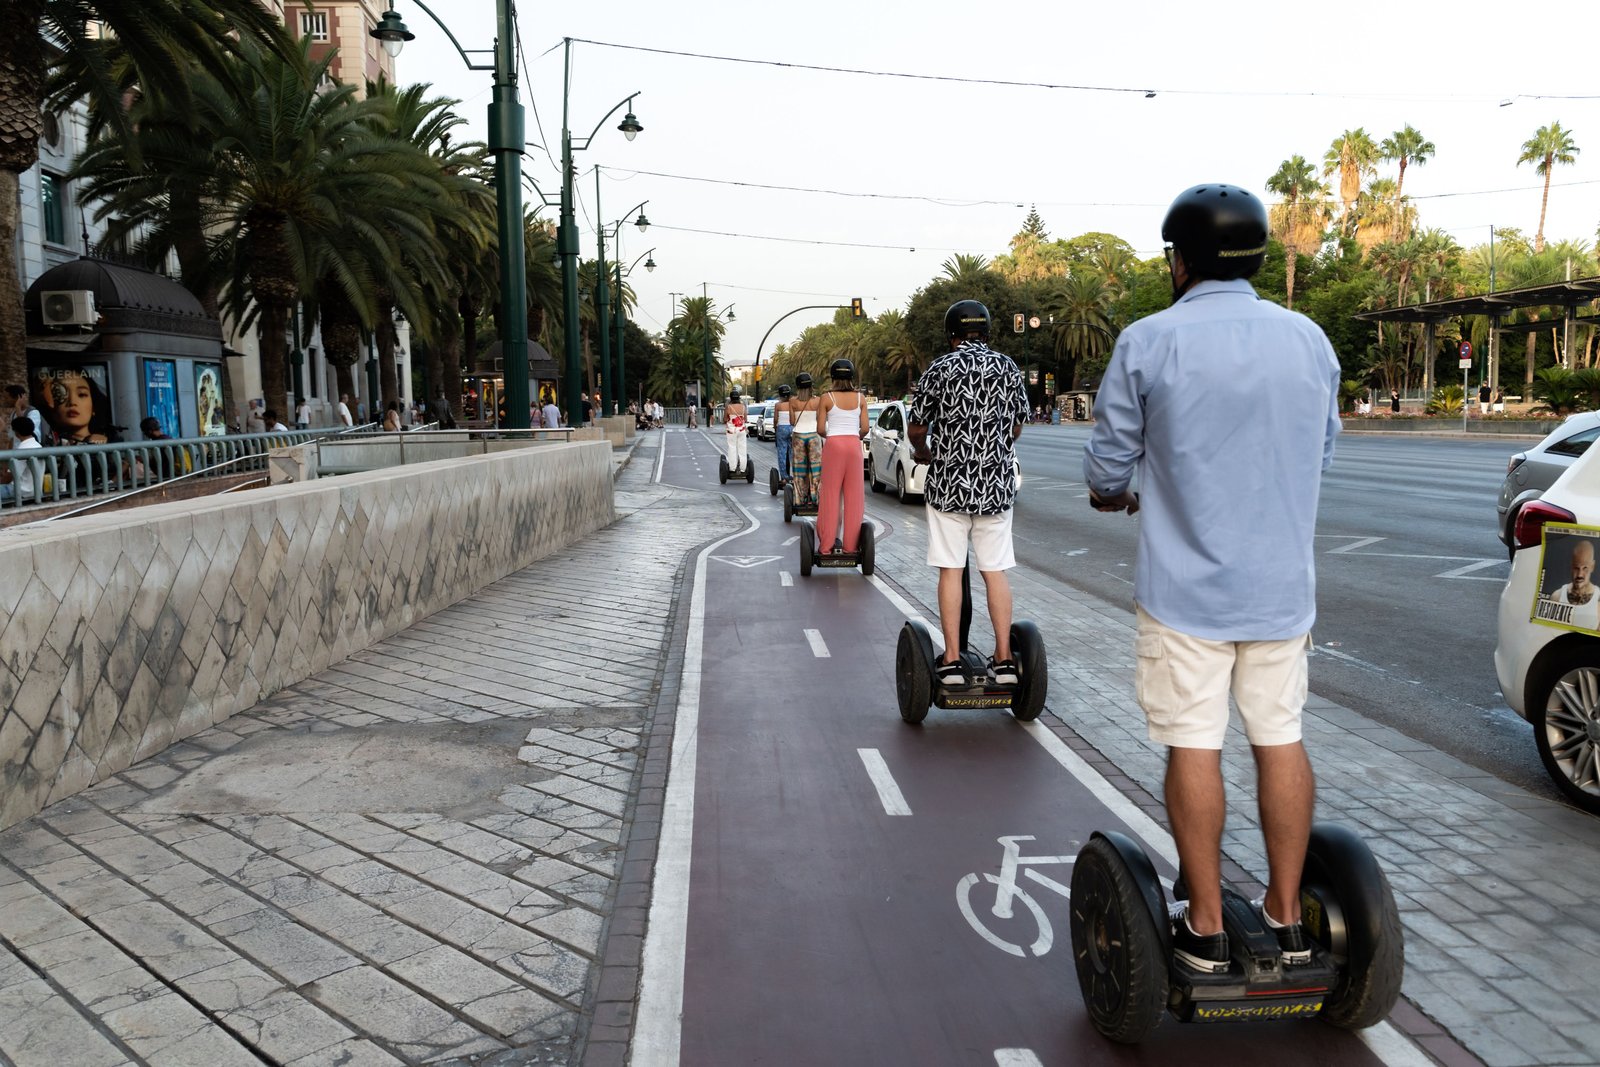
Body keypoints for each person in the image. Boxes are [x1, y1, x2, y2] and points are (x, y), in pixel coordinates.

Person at [1083, 182, 1340, 976]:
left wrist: (1122, 488)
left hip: (1186, 596)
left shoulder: (1148, 340)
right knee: (1280, 738)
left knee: (1194, 743)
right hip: (1280, 593)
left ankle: (1202, 926)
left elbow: (1105, 468)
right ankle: (1290, 917)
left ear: (1181, 259)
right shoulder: (1309, 341)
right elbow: (1320, 451)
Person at [908, 300, 1029, 688]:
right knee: (995, 569)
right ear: (988, 331)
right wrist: (996, 446)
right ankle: (1006, 661)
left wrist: (924, 452)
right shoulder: (1007, 367)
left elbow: (916, 426)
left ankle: (953, 660)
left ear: (951, 334)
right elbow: (1016, 426)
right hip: (995, 485)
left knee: (951, 569)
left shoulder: (940, 369)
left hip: (948, 483)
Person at [815, 361, 869, 554]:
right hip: (854, 446)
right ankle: (851, 547)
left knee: (830, 495)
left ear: (833, 377)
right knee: (854, 497)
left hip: (834, 445)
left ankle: (827, 546)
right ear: (851, 376)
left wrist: (834, 436)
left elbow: (820, 429)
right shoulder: (860, 398)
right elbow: (865, 429)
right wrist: (853, 437)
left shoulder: (826, 398)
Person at [37, 368, 119, 444]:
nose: (72, 402)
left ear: (93, 405)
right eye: (60, 394)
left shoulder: (110, 442)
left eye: (82, 394)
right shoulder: (46, 443)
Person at [1550, 539, 1600, 631]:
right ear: (1571, 567)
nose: (1580, 574)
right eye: (1576, 568)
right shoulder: (1557, 597)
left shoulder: (1598, 601)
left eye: (1585, 568)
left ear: (1592, 566)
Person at [789, 373, 822, 505]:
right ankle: (816, 497)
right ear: (811, 386)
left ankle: (800, 498)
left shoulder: (792, 401)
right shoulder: (818, 401)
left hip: (798, 435)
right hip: (814, 434)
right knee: (816, 467)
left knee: (799, 468)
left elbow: (792, 421)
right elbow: (820, 419)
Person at [0, 416, 42, 504]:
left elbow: (11, 476)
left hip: (20, 491)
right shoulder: (38, 446)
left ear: (16, 432)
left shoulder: (22, 450)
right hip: (35, 490)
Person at [723, 388, 749, 475]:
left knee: (732, 448)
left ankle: (732, 468)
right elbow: (745, 419)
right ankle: (743, 468)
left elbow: (725, 419)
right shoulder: (743, 407)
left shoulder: (728, 407)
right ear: (738, 398)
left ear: (731, 398)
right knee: (742, 448)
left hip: (731, 431)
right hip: (741, 430)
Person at [773, 383, 795, 483]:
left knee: (782, 453)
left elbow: (775, 419)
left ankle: (784, 477)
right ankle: (794, 474)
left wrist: (775, 428)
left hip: (781, 428)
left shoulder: (778, 405)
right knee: (792, 453)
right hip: (792, 427)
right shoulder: (793, 403)